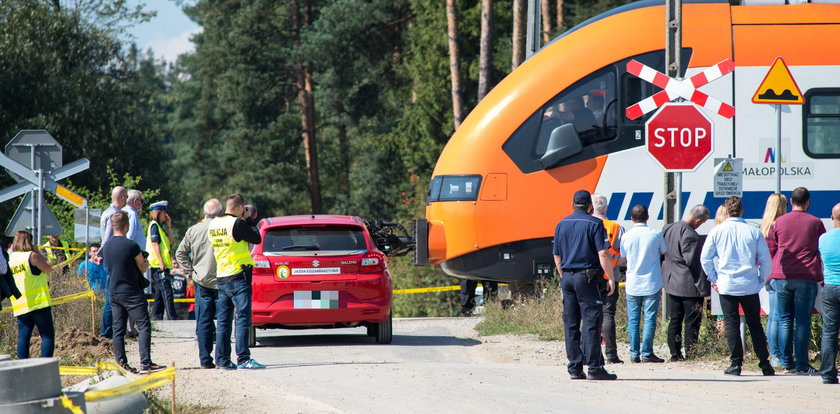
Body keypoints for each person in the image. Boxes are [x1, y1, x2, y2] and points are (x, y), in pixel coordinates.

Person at [700, 196, 774, 376]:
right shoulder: (753, 231)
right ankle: (765, 363)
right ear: (742, 210)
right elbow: (765, 261)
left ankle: (736, 363)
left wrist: (714, 279)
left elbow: (705, 258)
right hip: (749, 284)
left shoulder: (717, 232)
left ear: (726, 211)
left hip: (726, 284)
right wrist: (760, 281)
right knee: (755, 324)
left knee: (732, 323)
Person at [552, 189, 617, 380]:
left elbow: (556, 256)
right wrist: (610, 277)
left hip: (567, 277)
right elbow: (603, 253)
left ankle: (574, 368)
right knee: (591, 322)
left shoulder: (561, 224)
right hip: (587, 278)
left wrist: (564, 275)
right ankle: (595, 368)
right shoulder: (595, 223)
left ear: (572, 205)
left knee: (571, 323)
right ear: (590, 206)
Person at [768, 187, 825, 375]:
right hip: (807, 276)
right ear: (808, 202)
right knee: (802, 321)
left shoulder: (778, 222)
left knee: (784, 319)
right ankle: (802, 364)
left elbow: (771, 248)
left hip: (782, 276)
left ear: (791, 202)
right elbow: (822, 247)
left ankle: (787, 362)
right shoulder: (816, 223)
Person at [100, 211, 165, 374]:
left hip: (114, 291)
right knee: (143, 326)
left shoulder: (106, 246)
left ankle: (121, 363)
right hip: (132, 291)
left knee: (118, 329)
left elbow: (109, 266)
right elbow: (142, 267)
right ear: (127, 226)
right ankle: (145, 363)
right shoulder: (131, 245)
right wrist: (145, 262)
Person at [208, 194, 264, 370]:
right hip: (239, 277)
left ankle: (223, 361)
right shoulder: (238, 223)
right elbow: (256, 238)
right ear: (240, 208)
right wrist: (248, 220)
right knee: (242, 319)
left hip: (222, 276)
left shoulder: (214, 224)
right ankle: (243, 358)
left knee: (224, 321)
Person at [176, 198, 223, 369]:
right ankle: (222, 359)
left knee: (203, 320)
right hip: (222, 280)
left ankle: (205, 360)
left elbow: (180, 253)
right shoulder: (225, 229)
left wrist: (190, 272)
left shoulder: (193, 230)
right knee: (223, 320)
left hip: (201, 280)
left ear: (204, 213)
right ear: (220, 213)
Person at [662, 205, 710, 362]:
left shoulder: (668, 228)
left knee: (675, 319)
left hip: (671, 282)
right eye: (702, 222)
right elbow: (693, 263)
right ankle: (691, 352)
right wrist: (703, 287)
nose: (700, 225)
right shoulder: (690, 234)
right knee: (692, 321)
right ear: (697, 220)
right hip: (688, 285)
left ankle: (675, 353)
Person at [620, 205, 667, 363]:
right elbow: (663, 251)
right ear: (647, 217)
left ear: (631, 219)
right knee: (649, 319)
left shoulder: (626, 236)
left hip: (633, 283)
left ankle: (634, 353)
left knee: (633, 320)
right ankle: (647, 353)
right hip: (651, 283)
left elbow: (623, 256)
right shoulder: (655, 234)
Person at [9, 231, 55, 359]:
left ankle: (23, 368)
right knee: (47, 335)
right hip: (38, 303)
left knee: (23, 338)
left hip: (20, 305)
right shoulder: (32, 256)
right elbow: (48, 269)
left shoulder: (11, 259)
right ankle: (45, 366)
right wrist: (37, 251)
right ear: (29, 241)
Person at [591, 193, 624, 364]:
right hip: (611, 275)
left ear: (592, 207)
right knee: (608, 314)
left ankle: (589, 352)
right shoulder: (616, 227)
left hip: (591, 276)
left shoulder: (588, 224)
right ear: (607, 208)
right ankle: (611, 354)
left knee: (589, 315)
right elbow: (621, 254)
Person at [760, 193, 788, 367]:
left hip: (768, 275)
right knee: (780, 317)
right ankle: (778, 355)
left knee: (773, 317)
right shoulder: (779, 226)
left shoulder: (764, 226)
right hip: (779, 274)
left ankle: (774, 353)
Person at [98, 186, 127, 339]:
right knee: (111, 296)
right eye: (126, 197)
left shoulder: (107, 212)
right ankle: (107, 333)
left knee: (111, 295)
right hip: (111, 259)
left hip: (107, 258)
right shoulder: (114, 215)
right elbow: (109, 240)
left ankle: (110, 331)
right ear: (122, 198)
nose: (127, 200)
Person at [819, 203, 840, 384]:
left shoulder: (823, 239)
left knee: (829, 332)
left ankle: (827, 373)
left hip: (831, 287)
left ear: (832, 218)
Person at [147, 201, 177, 320]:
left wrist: (169, 226)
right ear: (159, 213)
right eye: (165, 212)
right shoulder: (154, 226)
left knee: (160, 293)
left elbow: (171, 242)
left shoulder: (160, 227)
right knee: (167, 291)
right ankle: (173, 318)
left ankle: (156, 317)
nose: (167, 215)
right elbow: (155, 245)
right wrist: (161, 262)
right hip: (158, 265)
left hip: (162, 265)